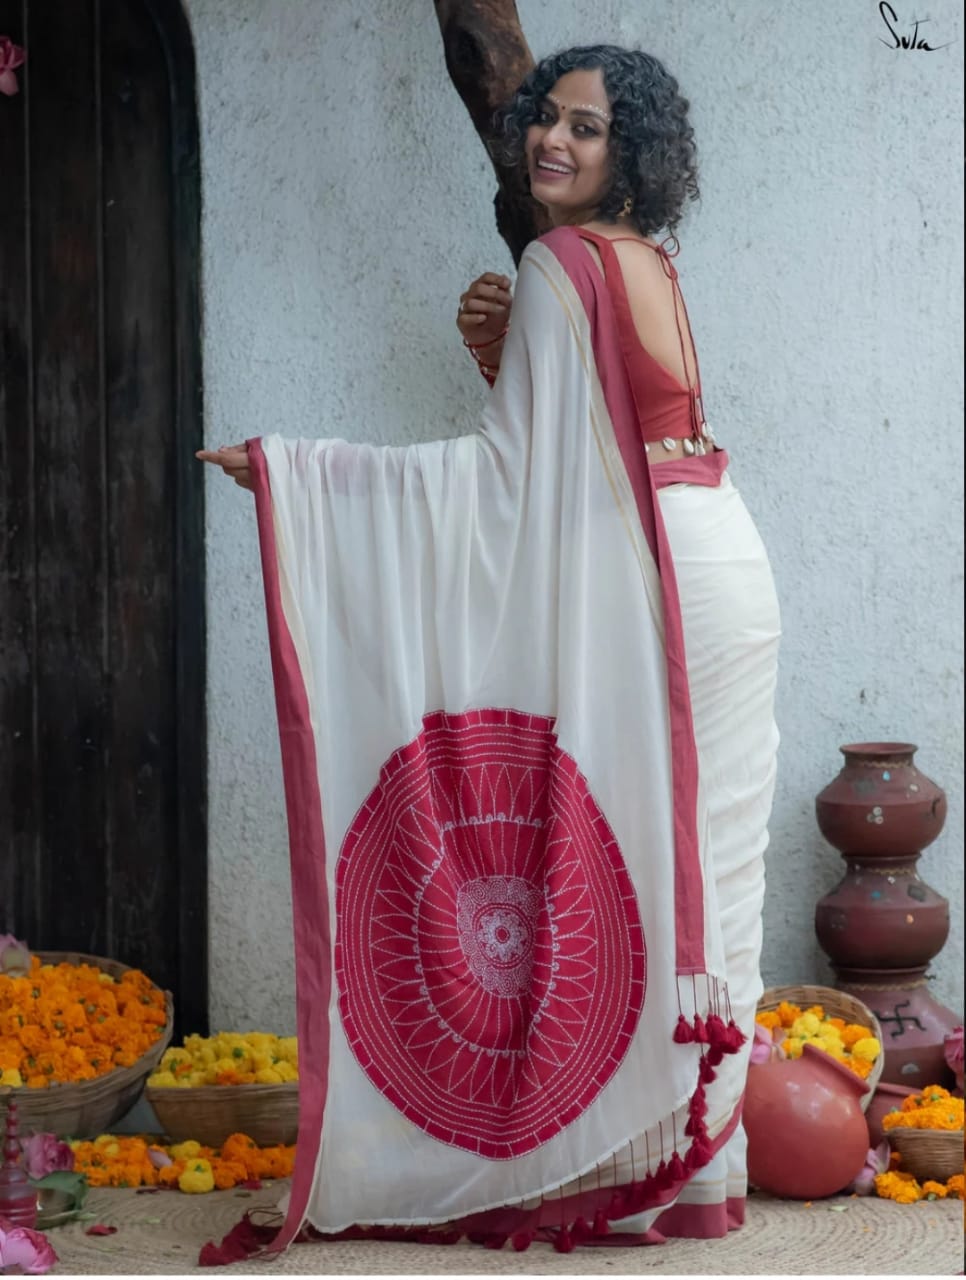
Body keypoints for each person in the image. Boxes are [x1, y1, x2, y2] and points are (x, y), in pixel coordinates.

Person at [199, 44, 780, 1259]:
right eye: (545, 119)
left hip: (654, 577)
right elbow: (609, 431)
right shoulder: (644, 260)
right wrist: (509, 354)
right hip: (722, 550)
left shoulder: (561, 263)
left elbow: (507, 476)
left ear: (631, 153)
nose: (552, 141)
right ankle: (694, 1177)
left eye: (586, 128)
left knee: (646, 865)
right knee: (709, 875)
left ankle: (623, 1165)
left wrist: (300, 476)